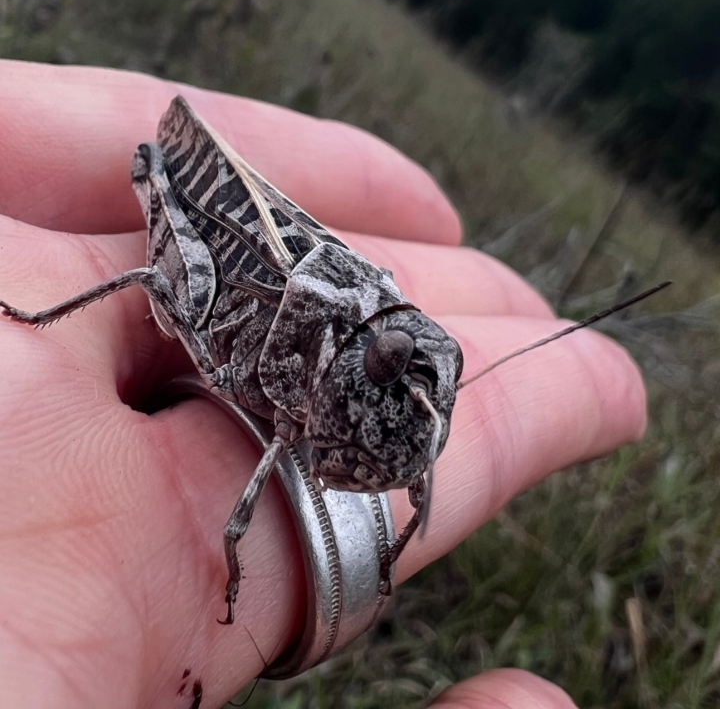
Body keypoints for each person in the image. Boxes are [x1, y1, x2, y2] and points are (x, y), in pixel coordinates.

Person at [0, 61, 645, 708]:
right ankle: (33, 316)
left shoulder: (373, 355)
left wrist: (382, 555)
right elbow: (241, 514)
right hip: (222, 282)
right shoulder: (312, 327)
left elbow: (410, 474)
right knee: (155, 279)